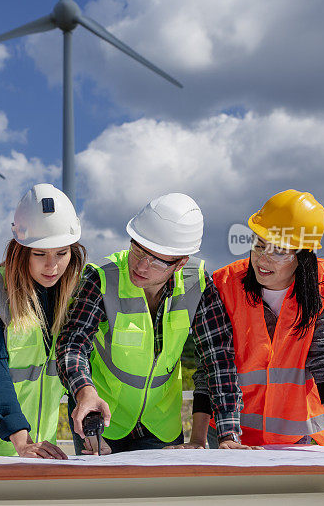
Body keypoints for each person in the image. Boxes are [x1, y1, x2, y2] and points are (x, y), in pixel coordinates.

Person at [189, 189, 324, 454]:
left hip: (297, 438)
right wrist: (197, 440)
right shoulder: (224, 284)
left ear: (302, 257)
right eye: (258, 245)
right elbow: (210, 365)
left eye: (279, 251)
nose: (263, 259)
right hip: (229, 435)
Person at [57, 193, 248, 454]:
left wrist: (228, 434)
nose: (142, 266)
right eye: (138, 249)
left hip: (161, 427)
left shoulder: (198, 286)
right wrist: (84, 393)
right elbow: (72, 344)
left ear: (181, 263)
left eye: (158, 260)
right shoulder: (101, 278)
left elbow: (218, 361)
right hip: (100, 419)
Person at [0, 184, 85, 458]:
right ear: (20, 250)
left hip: (38, 444)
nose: (52, 266)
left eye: (62, 253)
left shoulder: (74, 293)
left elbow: (76, 366)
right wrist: (21, 439)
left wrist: (86, 436)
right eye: (39, 254)